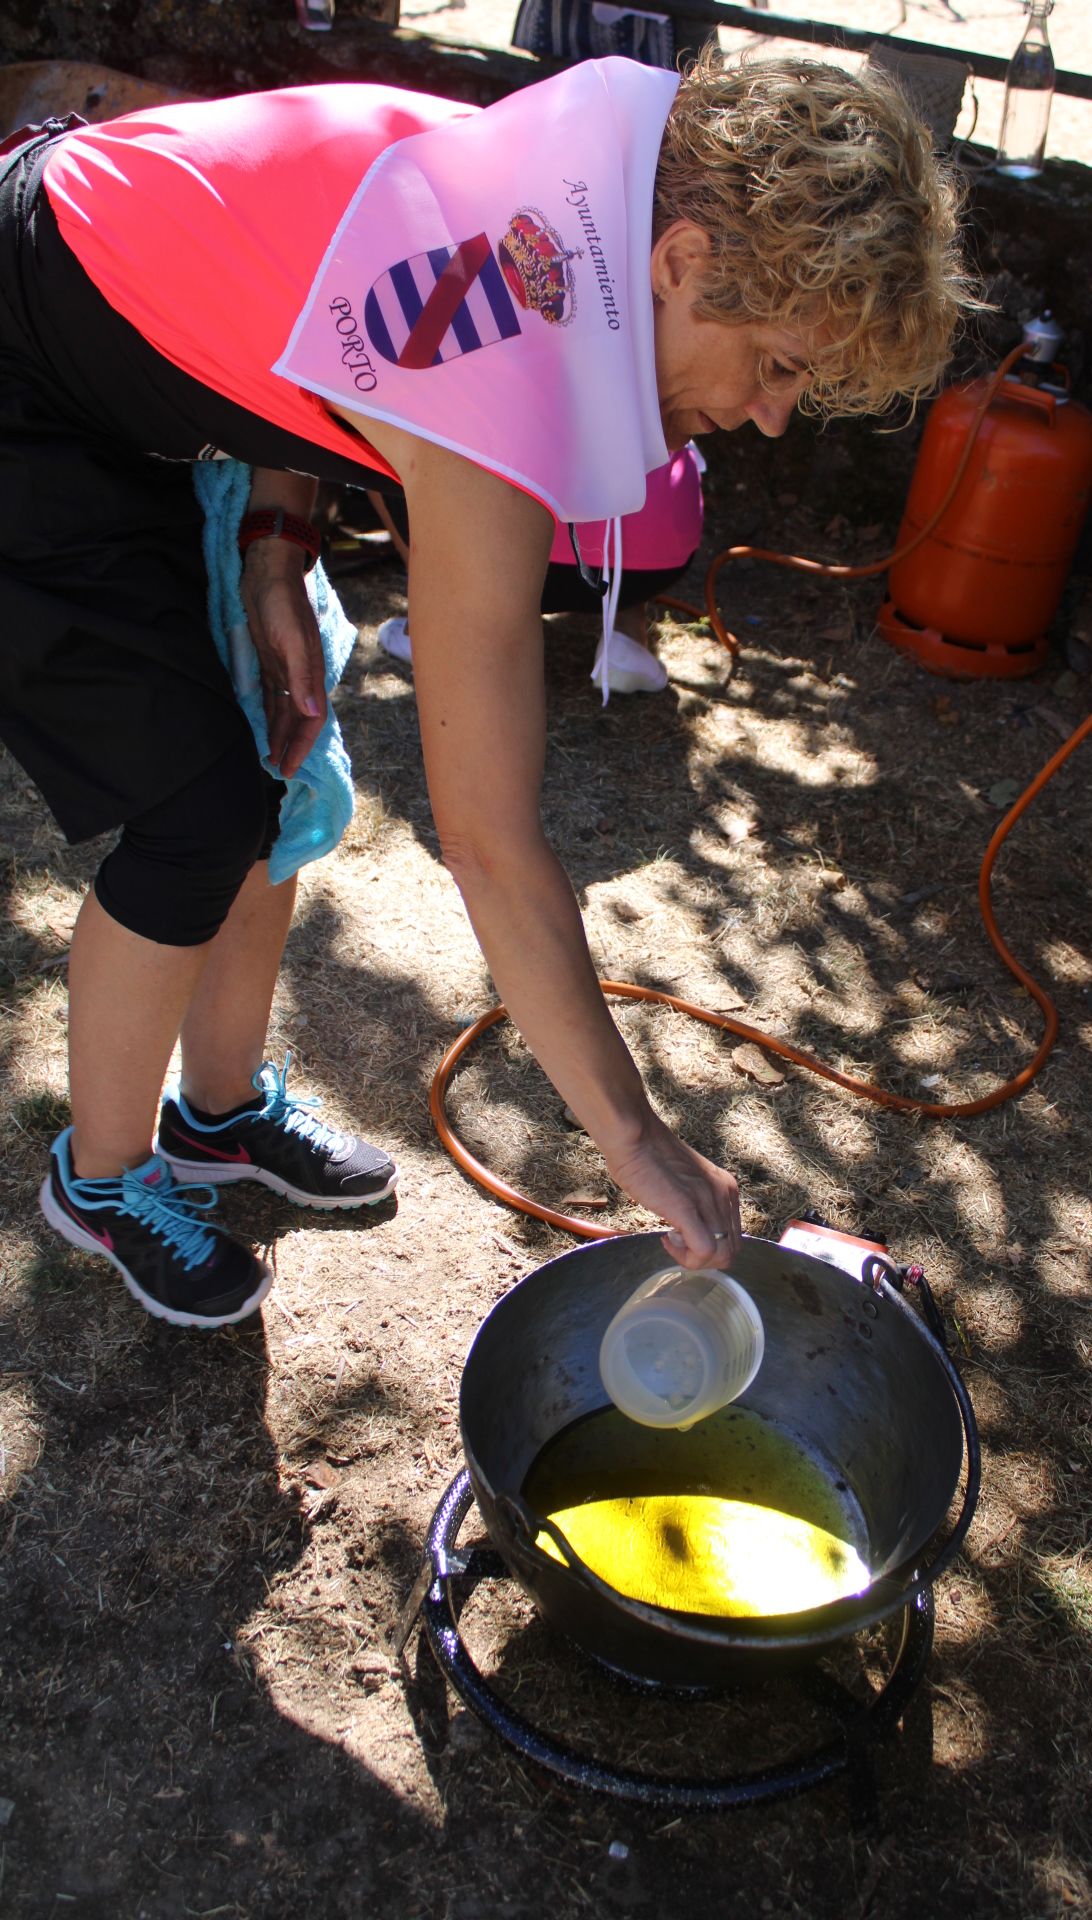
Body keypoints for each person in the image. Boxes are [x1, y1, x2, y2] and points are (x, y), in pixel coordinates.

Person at [0, 49, 973, 1330]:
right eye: (780, 364)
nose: (776, 416)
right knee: (193, 810)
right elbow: (489, 843)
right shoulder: (507, 379)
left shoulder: (603, 182)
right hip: (29, 370)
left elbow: (315, 305)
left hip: (149, 360)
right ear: (679, 262)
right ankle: (101, 1179)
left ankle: (216, 1120)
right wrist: (635, 1140)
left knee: (268, 771)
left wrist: (276, 550)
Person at [371, 442, 706, 695]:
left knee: (377, 440)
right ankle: (628, 634)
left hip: (516, 556)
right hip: (655, 560)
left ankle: (434, 624)